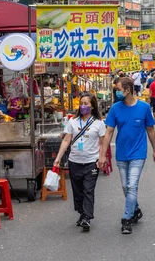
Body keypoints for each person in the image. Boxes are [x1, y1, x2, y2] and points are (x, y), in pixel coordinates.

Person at [98, 77, 155, 235]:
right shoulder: (115, 108)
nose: (117, 92)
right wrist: (103, 155)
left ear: (128, 89)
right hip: (121, 154)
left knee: (132, 186)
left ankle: (126, 219)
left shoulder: (144, 108)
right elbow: (109, 132)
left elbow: (151, 130)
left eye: (119, 89)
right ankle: (136, 209)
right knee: (126, 186)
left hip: (138, 154)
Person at [54, 92, 105, 232]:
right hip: (74, 161)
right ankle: (82, 213)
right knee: (78, 191)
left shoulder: (99, 123)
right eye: (81, 103)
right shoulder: (73, 122)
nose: (83, 106)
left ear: (92, 106)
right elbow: (66, 140)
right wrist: (58, 158)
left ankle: (87, 217)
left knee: (88, 190)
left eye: (86, 104)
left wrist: (102, 157)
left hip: (91, 162)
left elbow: (102, 143)